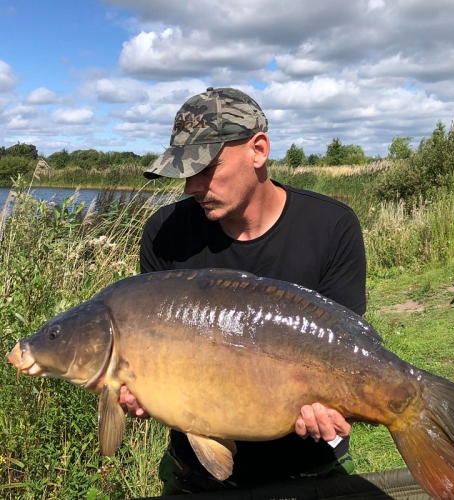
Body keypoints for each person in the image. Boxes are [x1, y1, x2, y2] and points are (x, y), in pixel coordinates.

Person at [119, 87, 367, 495]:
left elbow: (345, 350)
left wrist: (336, 406)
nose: (190, 187)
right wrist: (143, 388)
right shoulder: (164, 234)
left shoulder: (331, 227)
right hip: (196, 470)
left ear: (259, 150)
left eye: (206, 168)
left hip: (309, 465)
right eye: (184, 171)